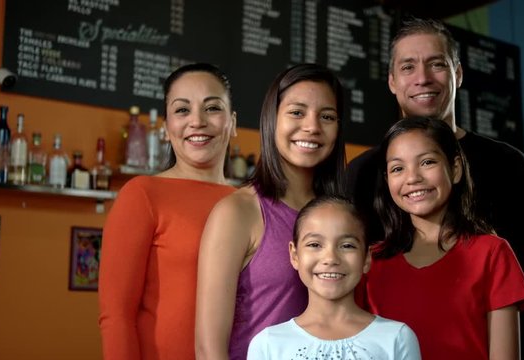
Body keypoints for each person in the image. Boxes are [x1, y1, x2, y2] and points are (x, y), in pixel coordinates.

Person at [347, 18, 524, 359]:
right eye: (408, 67)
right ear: (392, 81)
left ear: (458, 74)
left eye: (437, 64)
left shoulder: (509, 166)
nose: (422, 78)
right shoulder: (360, 174)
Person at [195, 63, 347, 360]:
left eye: (326, 116)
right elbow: (208, 349)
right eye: (297, 112)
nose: (312, 126)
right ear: (271, 119)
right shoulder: (238, 211)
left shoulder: (344, 216)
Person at [98, 63, 237, 360]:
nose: (197, 121)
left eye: (212, 108)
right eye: (182, 110)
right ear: (165, 128)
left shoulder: (251, 203)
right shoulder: (142, 194)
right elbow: (116, 315)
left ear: (233, 122)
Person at [364, 116, 524, 359]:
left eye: (427, 162)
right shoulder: (370, 262)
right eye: (398, 168)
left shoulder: (492, 253)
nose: (412, 178)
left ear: (455, 169)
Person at [247, 195, 421, 359]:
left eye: (346, 246)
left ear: (366, 258)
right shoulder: (268, 343)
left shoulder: (396, 338)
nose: (330, 258)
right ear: (294, 255)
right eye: (315, 244)